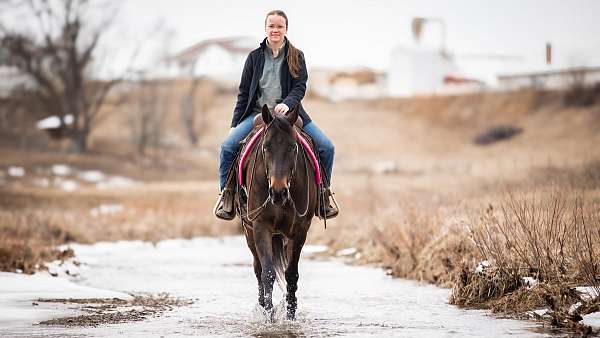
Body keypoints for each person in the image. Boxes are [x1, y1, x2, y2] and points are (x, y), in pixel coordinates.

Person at [214, 9, 337, 220]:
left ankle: (323, 196)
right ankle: (228, 195)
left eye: (279, 26)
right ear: (265, 28)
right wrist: (235, 123)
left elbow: (300, 87)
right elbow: (244, 93)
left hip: (289, 116)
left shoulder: (296, 56)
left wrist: (288, 104)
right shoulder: (254, 58)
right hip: (257, 115)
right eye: (271, 26)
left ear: (286, 29)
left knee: (327, 146)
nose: (275, 30)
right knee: (227, 147)